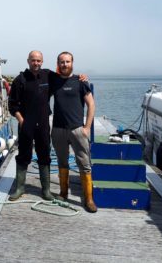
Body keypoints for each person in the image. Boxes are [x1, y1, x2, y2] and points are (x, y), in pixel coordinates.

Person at [8, 50, 87, 201]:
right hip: (25, 123)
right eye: (33, 60)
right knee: (24, 155)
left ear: (42, 62)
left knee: (44, 154)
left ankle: (46, 191)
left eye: (38, 60)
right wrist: (21, 120)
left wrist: (80, 77)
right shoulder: (20, 79)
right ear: (28, 61)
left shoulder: (48, 75)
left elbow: (65, 76)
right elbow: (12, 104)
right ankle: (19, 188)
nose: (36, 63)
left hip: (43, 122)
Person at [51, 51, 97, 212]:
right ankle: (63, 193)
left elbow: (91, 104)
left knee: (84, 164)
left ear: (72, 63)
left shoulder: (80, 81)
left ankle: (89, 199)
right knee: (62, 162)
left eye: (68, 62)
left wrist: (87, 127)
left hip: (78, 129)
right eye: (62, 62)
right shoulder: (54, 81)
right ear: (58, 64)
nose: (65, 64)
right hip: (58, 129)